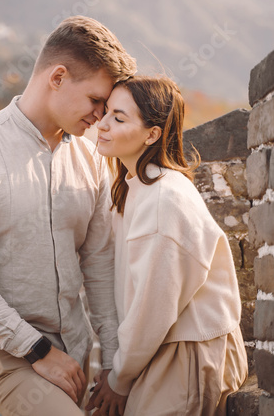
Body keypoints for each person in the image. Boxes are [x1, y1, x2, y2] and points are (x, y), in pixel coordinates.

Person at [0, 16, 137, 416]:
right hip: (1, 349)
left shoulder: (91, 158)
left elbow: (99, 264)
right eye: (96, 101)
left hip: (77, 350)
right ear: (58, 77)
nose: (101, 117)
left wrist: (115, 366)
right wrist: (37, 349)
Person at [87, 76, 248, 416]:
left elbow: (152, 309)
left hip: (189, 352)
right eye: (105, 113)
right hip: (161, 349)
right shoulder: (135, 189)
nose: (102, 125)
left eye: (118, 117)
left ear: (152, 134)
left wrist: (119, 377)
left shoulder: (163, 200)